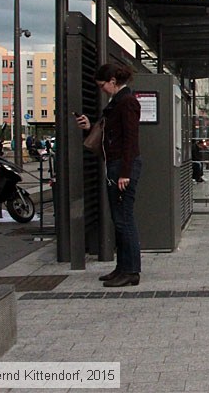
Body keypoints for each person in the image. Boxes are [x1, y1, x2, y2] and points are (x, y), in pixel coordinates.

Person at [75, 63, 142, 288]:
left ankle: (131, 271)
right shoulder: (117, 102)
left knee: (124, 220)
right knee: (119, 219)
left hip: (123, 167)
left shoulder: (127, 102)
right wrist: (89, 127)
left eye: (102, 85)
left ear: (113, 81)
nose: (101, 89)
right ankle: (122, 268)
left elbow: (130, 140)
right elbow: (110, 134)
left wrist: (125, 173)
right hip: (117, 165)